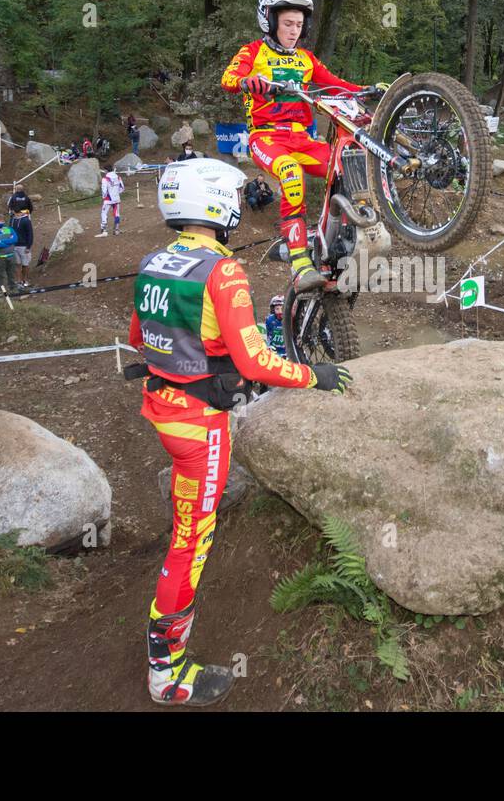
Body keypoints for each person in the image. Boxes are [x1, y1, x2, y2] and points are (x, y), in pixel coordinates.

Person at [130, 158, 353, 706]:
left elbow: (140, 336)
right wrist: (313, 375)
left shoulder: (152, 261)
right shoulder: (221, 272)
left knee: (186, 528)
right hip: (199, 427)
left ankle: (167, 656)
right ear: (215, 205)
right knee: (191, 541)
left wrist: (200, 357)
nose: (241, 204)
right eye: (233, 196)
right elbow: (255, 362)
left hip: (162, 407)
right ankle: (167, 673)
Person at [221, 0, 370, 292]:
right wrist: (250, 81)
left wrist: (368, 90)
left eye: (299, 25)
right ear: (271, 21)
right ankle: (299, 260)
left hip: (303, 139)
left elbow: (336, 85)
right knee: (291, 173)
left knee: (347, 165)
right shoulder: (252, 52)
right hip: (266, 138)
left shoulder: (306, 58)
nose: (293, 30)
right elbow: (228, 78)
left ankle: (340, 244)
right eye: (288, 23)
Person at [0, 216, 20, 294]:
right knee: (0, 275)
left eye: (2, 220)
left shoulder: (9, 229)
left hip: (11, 256)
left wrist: (2, 241)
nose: (0, 222)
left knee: (11, 274)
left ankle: (13, 288)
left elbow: (15, 239)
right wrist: (9, 242)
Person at [98, 162, 124, 237]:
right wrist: (116, 193)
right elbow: (122, 188)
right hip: (116, 199)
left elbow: (104, 190)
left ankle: (104, 230)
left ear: (106, 170)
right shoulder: (118, 177)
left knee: (104, 213)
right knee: (116, 214)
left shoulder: (105, 179)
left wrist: (104, 197)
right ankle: (116, 230)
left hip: (108, 199)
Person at [11, 205, 34, 288]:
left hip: (23, 246)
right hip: (14, 246)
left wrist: (28, 246)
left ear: (14, 211)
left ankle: (25, 281)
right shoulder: (12, 219)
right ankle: (19, 281)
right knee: (17, 264)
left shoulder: (26, 220)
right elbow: (10, 232)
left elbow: (30, 234)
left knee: (25, 264)